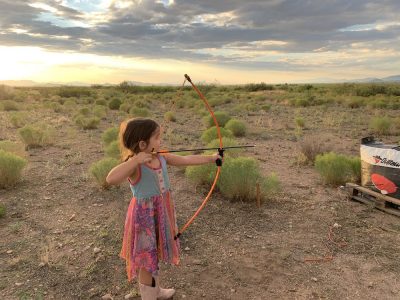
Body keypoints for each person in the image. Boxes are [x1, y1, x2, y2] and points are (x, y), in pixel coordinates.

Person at [106, 118, 221, 300]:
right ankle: (149, 296)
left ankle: (156, 291)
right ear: (143, 143)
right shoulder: (135, 166)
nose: (161, 141)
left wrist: (211, 158)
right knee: (145, 259)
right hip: (143, 218)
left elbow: (185, 159)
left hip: (161, 213)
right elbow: (110, 178)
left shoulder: (162, 157)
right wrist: (135, 160)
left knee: (155, 252)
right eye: (157, 138)